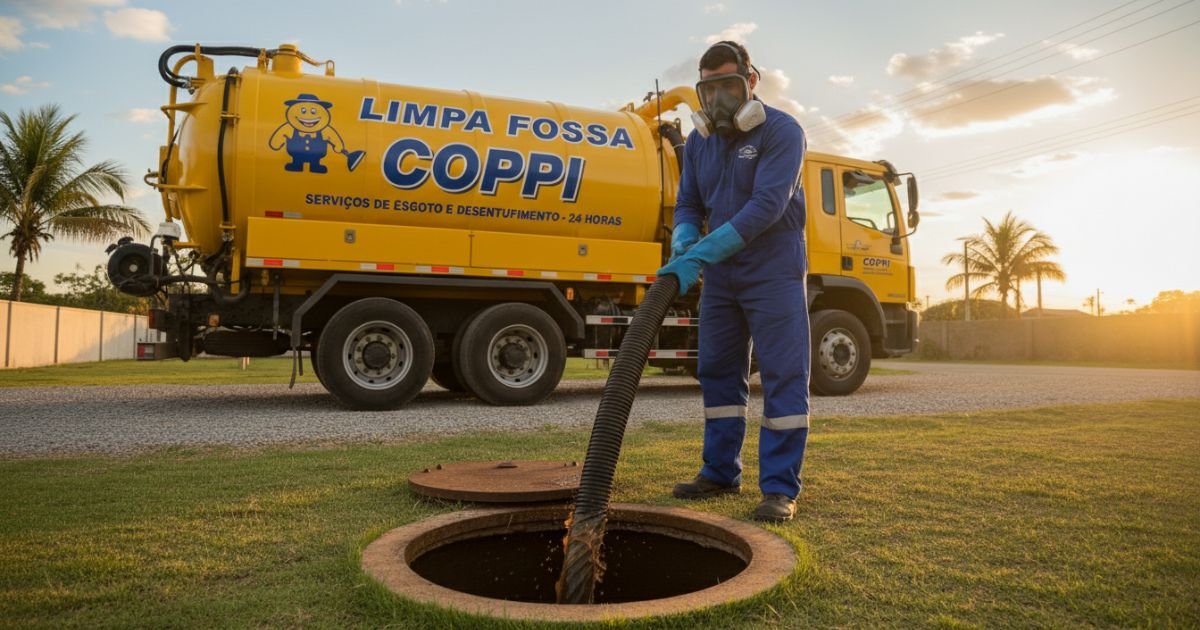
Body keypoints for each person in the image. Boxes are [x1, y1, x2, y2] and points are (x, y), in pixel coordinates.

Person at [657, 40, 810, 522]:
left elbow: (767, 205)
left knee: (784, 375)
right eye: (709, 89)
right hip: (722, 278)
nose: (719, 98)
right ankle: (720, 471)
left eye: (728, 85)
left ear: (751, 82)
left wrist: (700, 251)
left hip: (773, 272)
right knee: (718, 372)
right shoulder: (700, 142)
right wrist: (684, 236)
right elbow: (688, 202)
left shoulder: (782, 132)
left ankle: (780, 488)